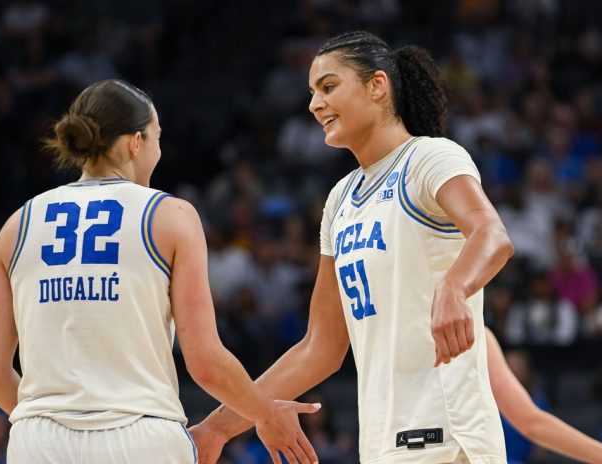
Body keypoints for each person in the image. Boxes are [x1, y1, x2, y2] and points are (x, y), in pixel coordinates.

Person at [190, 30, 515, 463]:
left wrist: (455, 286)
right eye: (312, 93)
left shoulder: (430, 158)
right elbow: (319, 348)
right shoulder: (340, 199)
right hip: (382, 440)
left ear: (377, 85)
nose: (314, 104)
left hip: (446, 433)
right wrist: (219, 427)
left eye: (328, 87)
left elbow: (491, 234)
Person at [0, 79, 320, 464]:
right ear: (135, 143)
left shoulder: (16, 226)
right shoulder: (170, 216)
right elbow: (205, 362)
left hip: (38, 441)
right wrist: (266, 414)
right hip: (140, 436)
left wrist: (54, 419)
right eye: (157, 138)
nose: (159, 150)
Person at [486, 327, 602, 463]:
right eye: (510, 365)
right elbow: (531, 423)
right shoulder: (481, 337)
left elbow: (533, 426)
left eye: (518, 366)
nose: (514, 370)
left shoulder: (538, 399)